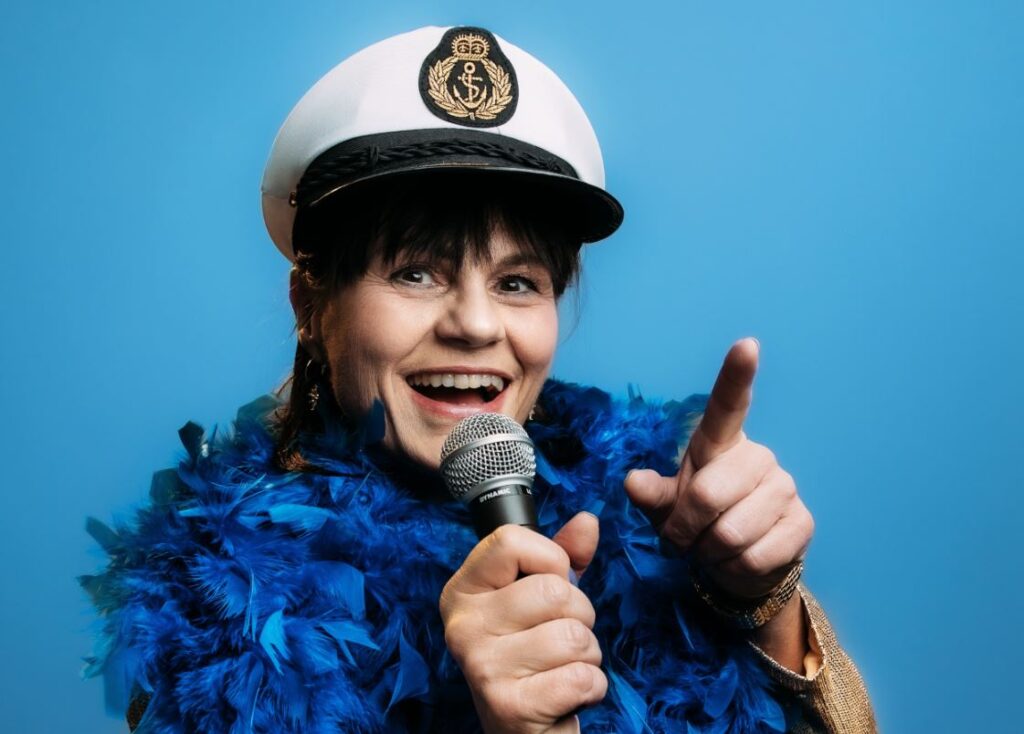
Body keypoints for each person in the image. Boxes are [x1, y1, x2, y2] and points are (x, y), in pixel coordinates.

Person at [82, 26, 876, 733]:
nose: (476, 324)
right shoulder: (219, 604)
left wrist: (760, 604)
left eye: (518, 282)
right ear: (311, 306)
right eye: (416, 273)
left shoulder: (654, 516)